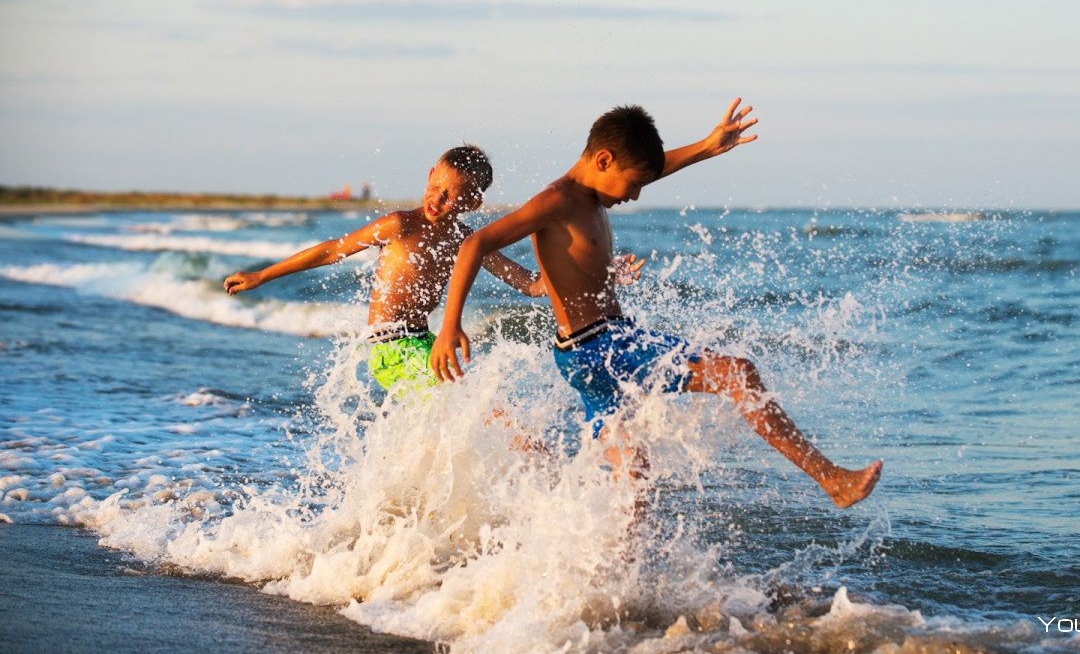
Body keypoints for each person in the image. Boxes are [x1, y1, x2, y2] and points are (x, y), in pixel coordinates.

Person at [428, 101, 882, 509]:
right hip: (601, 345)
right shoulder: (559, 199)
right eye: (634, 183)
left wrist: (707, 147)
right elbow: (476, 244)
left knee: (633, 479)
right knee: (738, 374)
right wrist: (450, 327)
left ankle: (616, 583)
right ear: (603, 160)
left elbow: (648, 168)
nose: (636, 195)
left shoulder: (591, 191)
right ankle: (831, 480)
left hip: (582, 353)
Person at [223, 145, 548, 394]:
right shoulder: (399, 225)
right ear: (430, 173)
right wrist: (261, 276)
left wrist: (548, 236)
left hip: (422, 341)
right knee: (465, 400)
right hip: (389, 346)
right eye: (436, 187)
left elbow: (530, 285)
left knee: (463, 404)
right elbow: (333, 250)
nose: (437, 199)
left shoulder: (466, 241)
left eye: (451, 196)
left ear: (472, 203)